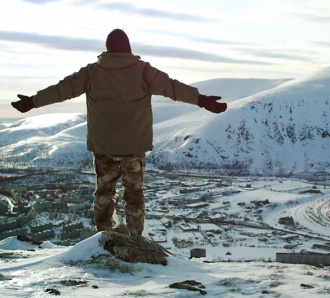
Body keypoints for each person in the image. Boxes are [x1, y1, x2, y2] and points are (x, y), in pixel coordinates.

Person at [11, 29, 227, 237]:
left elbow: (61, 90)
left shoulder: (91, 72)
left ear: (107, 49)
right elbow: (172, 88)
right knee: (133, 194)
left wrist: (32, 102)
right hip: (133, 147)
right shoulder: (143, 71)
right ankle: (135, 238)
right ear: (128, 48)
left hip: (103, 146)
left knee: (104, 192)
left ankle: (103, 235)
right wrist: (203, 100)